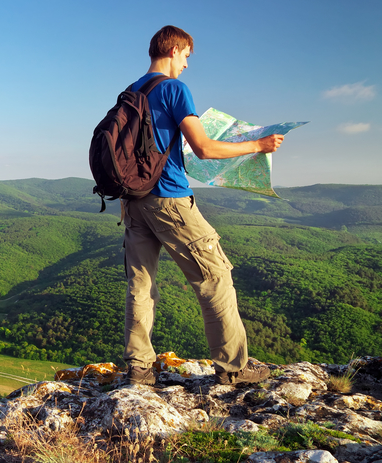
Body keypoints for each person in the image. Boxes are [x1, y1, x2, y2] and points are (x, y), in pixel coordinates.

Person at [122, 25, 284, 386]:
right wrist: (259, 145)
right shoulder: (173, 88)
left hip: (133, 202)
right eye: (187, 57)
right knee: (215, 277)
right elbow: (205, 148)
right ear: (176, 49)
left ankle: (138, 367)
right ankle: (234, 369)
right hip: (170, 200)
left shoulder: (131, 91)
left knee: (141, 284)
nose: (187, 65)